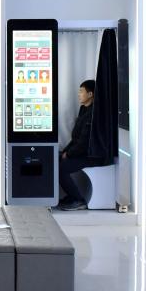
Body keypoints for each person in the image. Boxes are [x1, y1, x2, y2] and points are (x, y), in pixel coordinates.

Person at [57, 79, 100, 211]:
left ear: (90, 94)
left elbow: (84, 143)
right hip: (82, 152)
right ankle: (72, 197)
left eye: (81, 91)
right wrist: (65, 151)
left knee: (61, 168)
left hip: (92, 155)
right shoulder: (84, 109)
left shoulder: (93, 114)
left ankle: (78, 200)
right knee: (56, 159)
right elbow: (76, 138)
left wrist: (69, 154)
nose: (79, 94)